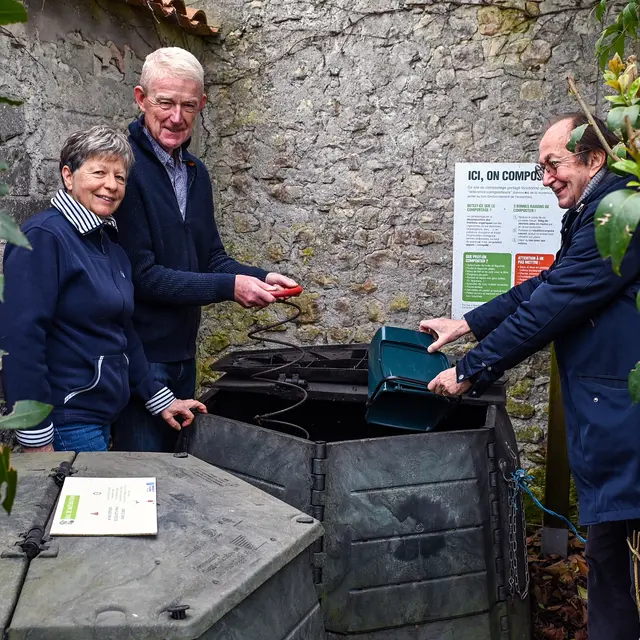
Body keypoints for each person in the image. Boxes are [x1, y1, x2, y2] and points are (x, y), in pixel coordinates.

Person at [420, 113, 640, 639]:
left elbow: (554, 306)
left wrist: (470, 370)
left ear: (595, 160)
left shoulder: (621, 216)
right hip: (609, 422)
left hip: (624, 426)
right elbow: (545, 286)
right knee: (610, 558)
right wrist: (467, 323)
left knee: (619, 564)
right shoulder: (599, 210)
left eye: (552, 165)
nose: (544, 179)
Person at [111, 47, 298, 453]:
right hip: (139, 360)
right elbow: (142, 276)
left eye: (188, 105)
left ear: (202, 105)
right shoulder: (122, 170)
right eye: (165, 103)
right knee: (145, 476)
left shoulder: (195, 171)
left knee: (180, 475)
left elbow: (211, 257)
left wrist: (259, 275)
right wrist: (230, 287)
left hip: (182, 353)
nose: (176, 117)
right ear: (141, 98)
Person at [0, 126, 206, 453]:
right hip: (66, 424)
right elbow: (21, 339)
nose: (111, 185)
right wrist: (35, 435)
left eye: (120, 177)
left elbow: (124, 334)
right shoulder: (43, 237)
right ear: (68, 176)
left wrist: (161, 400)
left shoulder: (111, 247)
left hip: (102, 419)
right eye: (99, 172)